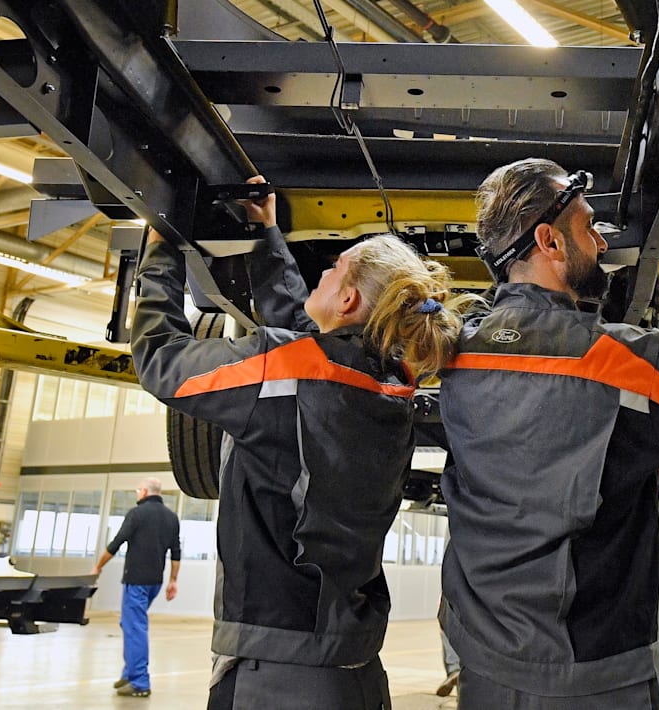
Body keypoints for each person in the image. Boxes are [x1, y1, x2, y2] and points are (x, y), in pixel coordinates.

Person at [131, 176, 475, 710]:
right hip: (356, 669)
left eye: (334, 268)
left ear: (349, 298)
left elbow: (159, 358)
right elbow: (306, 346)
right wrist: (266, 235)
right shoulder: (391, 390)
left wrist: (160, 247)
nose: (324, 270)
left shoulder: (295, 371)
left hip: (278, 674)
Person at [438, 158, 659, 707]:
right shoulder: (614, 359)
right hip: (596, 675)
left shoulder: (454, 353)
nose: (603, 243)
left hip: (486, 666)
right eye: (589, 227)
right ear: (550, 242)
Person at [91, 477, 182, 698]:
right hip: (155, 582)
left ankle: (140, 682)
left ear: (144, 492)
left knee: (135, 628)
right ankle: (129, 673)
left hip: (136, 581)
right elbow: (176, 552)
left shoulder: (136, 514)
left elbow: (116, 542)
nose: (137, 493)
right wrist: (173, 580)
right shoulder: (171, 517)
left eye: (138, 490)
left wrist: (98, 567)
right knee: (129, 623)